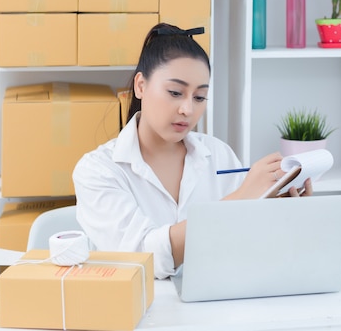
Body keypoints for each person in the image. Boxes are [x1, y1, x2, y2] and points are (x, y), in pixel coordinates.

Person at [73, 23, 312, 279]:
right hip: (138, 312)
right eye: (175, 92)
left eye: (199, 97)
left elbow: (244, 244)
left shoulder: (219, 154)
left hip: (216, 305)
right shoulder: (97, 170)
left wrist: (273, 210)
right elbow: (143, 256)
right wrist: (242, 198)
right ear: (140, 85)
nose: (187, 109)